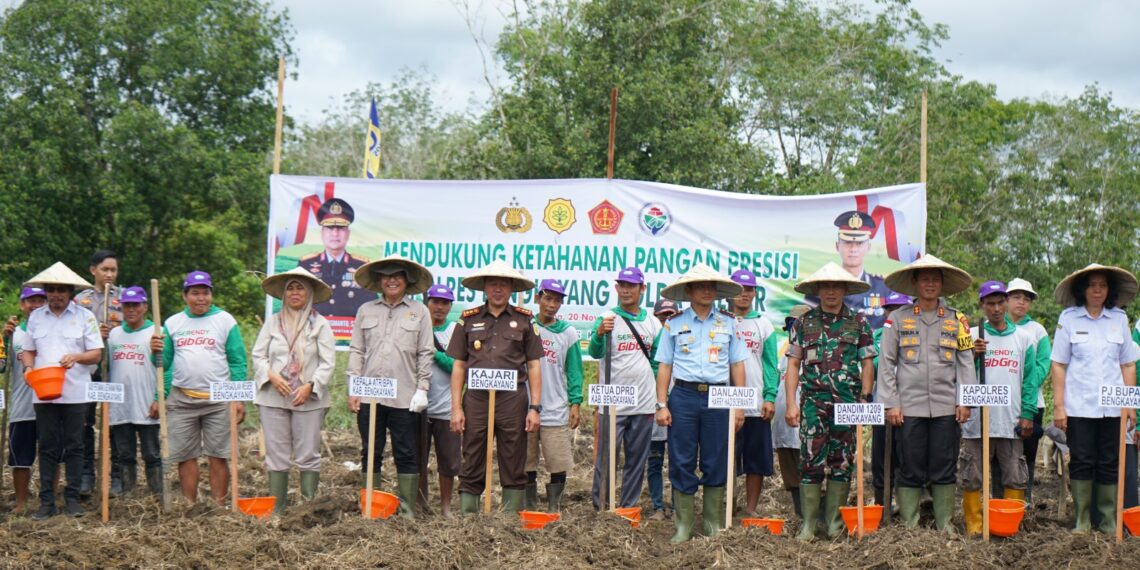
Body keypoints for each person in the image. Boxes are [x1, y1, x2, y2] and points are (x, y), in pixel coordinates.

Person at [877, 254, 976, 531]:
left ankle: (944, 523)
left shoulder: (958, 320)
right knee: (909, 465)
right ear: (915, 283)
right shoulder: (897, 319)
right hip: (908, 408)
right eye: (925, 279)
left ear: (942, 285)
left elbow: (966, 361)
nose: (930, 284)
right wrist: (891, 404)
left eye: (935, 279)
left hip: (946, 407)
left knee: (945, 465)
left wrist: (965, 400)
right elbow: (887, 363)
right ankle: (910, 524)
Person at [654, 263, 747, 543]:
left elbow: (737, 365)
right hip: (683, 396)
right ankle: (683, 525)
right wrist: (662, 404)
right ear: (689, 290)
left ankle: (711, 524)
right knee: (681, 458)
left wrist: (739, 405)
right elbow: (664, 366)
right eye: (700, 286)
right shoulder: (674, 323)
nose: (707, 290)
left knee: (716, 458)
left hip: (719, 396)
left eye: (711, 286)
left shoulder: (730, 323)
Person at [784, 263, 876, 541]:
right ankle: (809, 525)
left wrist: (865, 399)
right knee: (810, 462)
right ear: (818, 290)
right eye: (826, 286)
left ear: (845, 289)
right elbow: (793, 365)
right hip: (813, 403)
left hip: (847, 405)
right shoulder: (803, 323)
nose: (831, 291)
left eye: (837, 286)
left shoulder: (858, 323)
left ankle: (835, 523)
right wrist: (791, 403)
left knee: (842, 462)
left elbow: (868, 363)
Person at [448, 260, 544, 515]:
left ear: (512, 288)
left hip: (512, 400)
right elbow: (459, 366)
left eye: (503, 284)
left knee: (514, 454)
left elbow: (534, 366)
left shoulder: (525, 320)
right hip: (477, 399)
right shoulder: (468, 319)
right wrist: (456, 408)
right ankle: (469, 517)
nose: (498, 289)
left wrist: (535, 407)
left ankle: (510, 518)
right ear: (484, 287)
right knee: (473, 452)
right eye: (493, 283)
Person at [1050, 264, 1138, 534]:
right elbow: (1059, 364)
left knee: (1110, 460)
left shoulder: (1119, 319)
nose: (1097, 290)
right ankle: (1082, 522)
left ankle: (1109, 522)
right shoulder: (1069, 318)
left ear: (1109, 289)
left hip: (1112, 408)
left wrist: (1129, 403)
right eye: (1092, 285)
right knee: (1082, 461)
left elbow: (1128, 365)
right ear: (1083, 289)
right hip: (1079, 407)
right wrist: (1059, 406)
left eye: (1102, 285)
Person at [346, 255, 434, 519]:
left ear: (407, 281)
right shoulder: (366, 310)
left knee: (406, 452)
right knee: (370, 449)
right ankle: (371, 508)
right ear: (379, 281)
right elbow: (357, 350)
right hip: (369, 394)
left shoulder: (420, 312)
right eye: (387, 276)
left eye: (397, 275)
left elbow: (425, 352)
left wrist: (422, 388)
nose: (392, 280)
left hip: (404, 396)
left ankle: (407, 513)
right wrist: (354, 387)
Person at [20, 263, 104, 519]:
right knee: (46, 446)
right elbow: (28, 349)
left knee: (75, 445)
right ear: (46, 291)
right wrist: (28, 368)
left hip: (76, 391)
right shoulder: (36, 317)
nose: (56, 294)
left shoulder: (84, 317)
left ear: (70, 292)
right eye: (52, 290)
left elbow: (96, 354)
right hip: (43, 391)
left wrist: (77, 357)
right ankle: (46, 502)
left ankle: (72, 499)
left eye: (61, 290)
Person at [959, 281, 1043, 536]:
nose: (995, 309)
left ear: (1006, 303)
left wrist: (1028, 413)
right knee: (972, 474)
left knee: (1014, 474)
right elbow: (957, 373)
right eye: (990, 304)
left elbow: (1030, 381)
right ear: (982, 305)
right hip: (976, 421)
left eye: (999, 303)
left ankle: (1008, 526)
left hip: (1010, 420)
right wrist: (972, 355)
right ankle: (975, 527)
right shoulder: (972, 335)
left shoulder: (1024, 338)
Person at [251, 268, 336, 515]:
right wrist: (271, 375)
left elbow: (327, 362)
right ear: (284, 293)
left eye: (300, 288)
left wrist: (311, 386)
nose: (295, 292)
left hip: (307, 399)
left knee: (308, 453)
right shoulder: (273, 323)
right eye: (290, 287)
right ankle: (277, 510)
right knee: (276, 455)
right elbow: (258, 355)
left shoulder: (320, 325)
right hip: (273, 397)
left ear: (309, 293)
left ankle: (308, 509)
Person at [161, 270, 248, 506]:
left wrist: (238, 399)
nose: (201, 298)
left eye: (205, 293)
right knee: (185, 455)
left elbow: (238, 361)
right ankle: (191, 505)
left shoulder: (225, 321)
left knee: (219, 455)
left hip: (219, 400)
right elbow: (162, 364)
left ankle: (219, 506)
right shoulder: (172, 323)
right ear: (185, 296)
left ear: (211, 295)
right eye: (195, 293)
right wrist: (155, 351)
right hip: (182, 399)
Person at [589, 267, 660, 512]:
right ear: (617, 288)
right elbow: (594, 352)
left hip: (643, 402)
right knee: (606, 458)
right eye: (622, 285)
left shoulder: (653, 323)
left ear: (643, 289)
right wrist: (599, 334)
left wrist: (661, 399)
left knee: (636, 460)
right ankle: (602, 507)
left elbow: (657, 363)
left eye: (632, 285)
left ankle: (628, 507)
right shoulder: (607, 317)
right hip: (612, 403)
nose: (626, 290)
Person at [526, 279, 583, 512]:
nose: (552, 305)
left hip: (555, 407)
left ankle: (553, 506)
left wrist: (576, 402)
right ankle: (527, 504)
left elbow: (575, 370)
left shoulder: (567, 333)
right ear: (537, 298)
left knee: (558, 461)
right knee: (525, 461)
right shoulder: (526, 326)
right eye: (548, 298)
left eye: (557, 300)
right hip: (526, 407)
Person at [726, 268, 778, 518]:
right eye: (739, 288)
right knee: (726, 456)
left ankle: (750, 508)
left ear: (755, 293)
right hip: (724, 401)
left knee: (755, 459)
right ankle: (727, 504)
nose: (744, 294)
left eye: (749, 289)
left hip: (755, 402)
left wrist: (769, 396)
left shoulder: (763, 324)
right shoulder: (721, 319)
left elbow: (770, 364)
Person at [74, 249, 123, 496]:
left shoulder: (124, 298)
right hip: (87, 370)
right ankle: (85, 475)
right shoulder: (80, 300)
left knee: (113, 421)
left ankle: (116, 476)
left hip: (115, 369)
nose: (109, 275)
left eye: (113, 270)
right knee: (84, 421)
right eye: (105, 269)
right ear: (93, 270)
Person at [107, 286, 163, 497]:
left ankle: (157, 494)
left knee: (151, 453)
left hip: (147, 403)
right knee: (124, 453)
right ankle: (129, 494)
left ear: (145, 307)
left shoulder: (156, 332)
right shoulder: (114, 334)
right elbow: (107, 367)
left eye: (135, 305)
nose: (131, 309)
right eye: (126, 305)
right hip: (121, 406)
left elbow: (166, 369)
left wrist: (159, 398)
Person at [1005, 278, 1050, 506]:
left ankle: (1027, 498)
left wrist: (1023, 384)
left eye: (1026, 298)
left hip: (1032, 403)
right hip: (1003, 403)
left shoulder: (1037, 330)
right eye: (1016, 297)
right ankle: (1002, 498)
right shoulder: (994, 325)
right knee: (1002, 451)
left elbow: (1043, 365)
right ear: (1006, 299)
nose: (1021, 302)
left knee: (1028, 452)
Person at [297, 198, 375, 327]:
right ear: (322, 233)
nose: (335, 233)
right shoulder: (306, 265)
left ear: (348, 233)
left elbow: (370, 307)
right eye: (329, 228)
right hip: (312, 335)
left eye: (340, 228)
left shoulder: (361, 266)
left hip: (350, 338)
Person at [2, 287, 47, 515]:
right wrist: (3, 338)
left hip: (51, 404)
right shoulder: (13, 334)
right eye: (31, 300)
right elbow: (1, 366)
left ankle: (47, 501)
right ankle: (21, 504)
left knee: (51, 455)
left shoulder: (52, 332)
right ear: (22, 304)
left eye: (41, 300)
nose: (36, 304)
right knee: (20, 458)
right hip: (22, 406)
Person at [419, 283, 462, 516]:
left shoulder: (456, 331)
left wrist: (434, 353)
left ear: (450, 306)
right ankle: (420, 504)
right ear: (427, 303)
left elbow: (457, 366)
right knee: (418, 459)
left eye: (445, 303)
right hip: (418, 406)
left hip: (446, 407)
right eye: (435, 301)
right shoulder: (417, 327)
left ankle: (446, 506)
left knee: (448, 461)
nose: (439, 307)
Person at [806, 211, 892, 329]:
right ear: (837, 246)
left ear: (868, 247)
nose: (853, 249)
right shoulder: (819, 288)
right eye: (847, 243)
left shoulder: (883, 288)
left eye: (859, 243)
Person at [870, 291, 911, 511]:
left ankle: (907, 503)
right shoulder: (877, 336)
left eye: (899, 309)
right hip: (882, 406)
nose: (894, 314)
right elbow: (875, 366)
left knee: (908, 454)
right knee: (880, 457)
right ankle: (882, 501)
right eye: (891, 309)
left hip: (912, 405)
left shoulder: (916, 334)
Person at [773, 304, 810, 520]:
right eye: (792, 324)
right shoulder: (783, 349)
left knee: (813, 465)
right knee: (790, 463)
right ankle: (800, 512)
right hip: (785, 416)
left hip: (811, 416)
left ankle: (816, 513)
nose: (795, 328)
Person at [647, 297, 680, 520]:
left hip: (681, 403)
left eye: (671, 315)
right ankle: (658, 505)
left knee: (679, 458)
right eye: (662, 316)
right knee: (655, 458)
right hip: (656, 404)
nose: (666, 320)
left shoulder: (687, 337)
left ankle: (679, 506)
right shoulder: (650, 342)